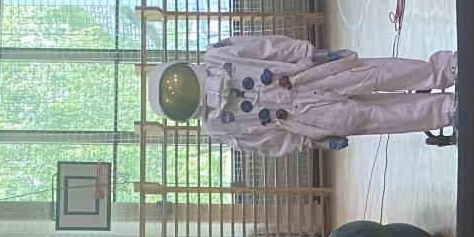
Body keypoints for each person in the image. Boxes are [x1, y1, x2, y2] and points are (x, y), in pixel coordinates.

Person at [147, 35, 457, 156]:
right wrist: (309, 141)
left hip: (304, 75)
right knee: (377, 117)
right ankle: (448, 110)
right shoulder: (216, 127)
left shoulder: (217, 55)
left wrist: (309, 53)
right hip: (305, 118)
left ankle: (447, 69)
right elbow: (264, 143)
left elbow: (265, 47)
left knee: (376, 73)